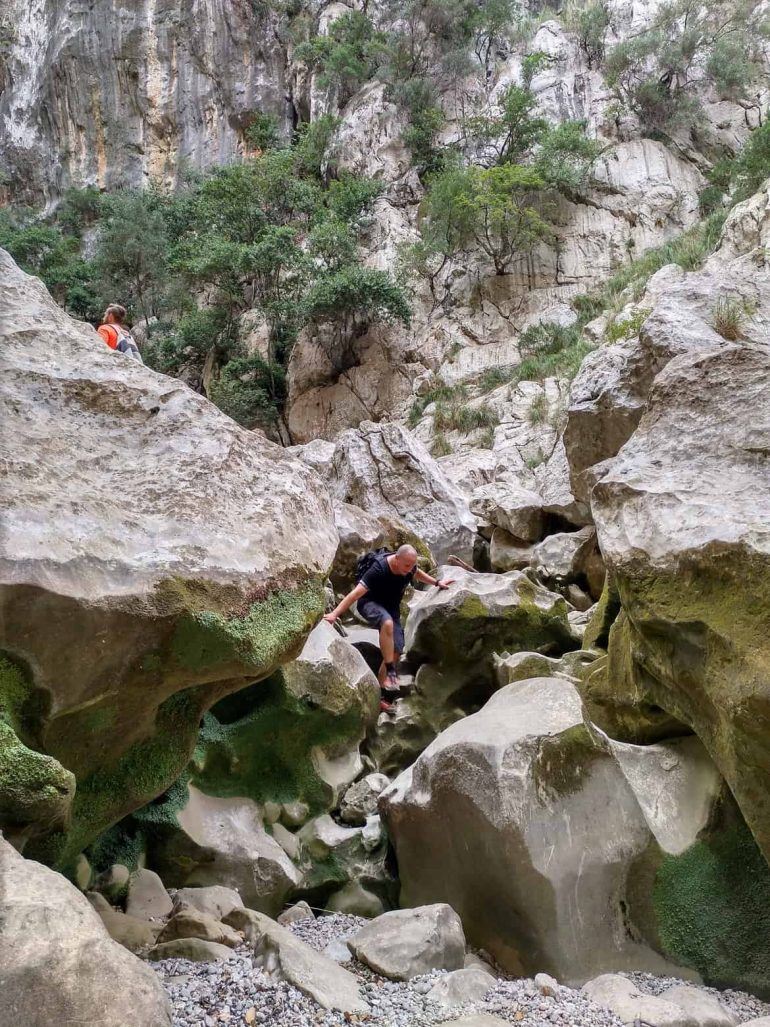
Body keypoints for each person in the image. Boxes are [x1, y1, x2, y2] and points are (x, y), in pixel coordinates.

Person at [324, 545, 454, 713]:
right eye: (406, 565)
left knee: (397, 649)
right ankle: (390, 674)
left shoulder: (409, 566)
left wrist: (437, 583)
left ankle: (380, 694)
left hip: (391, 608)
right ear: (396, 559)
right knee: (387, 624)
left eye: (411, 565)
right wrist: (334, 614)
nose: (409, 570)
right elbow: (355, 595)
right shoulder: (379, 569)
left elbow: (417, 573)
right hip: (369, 603)